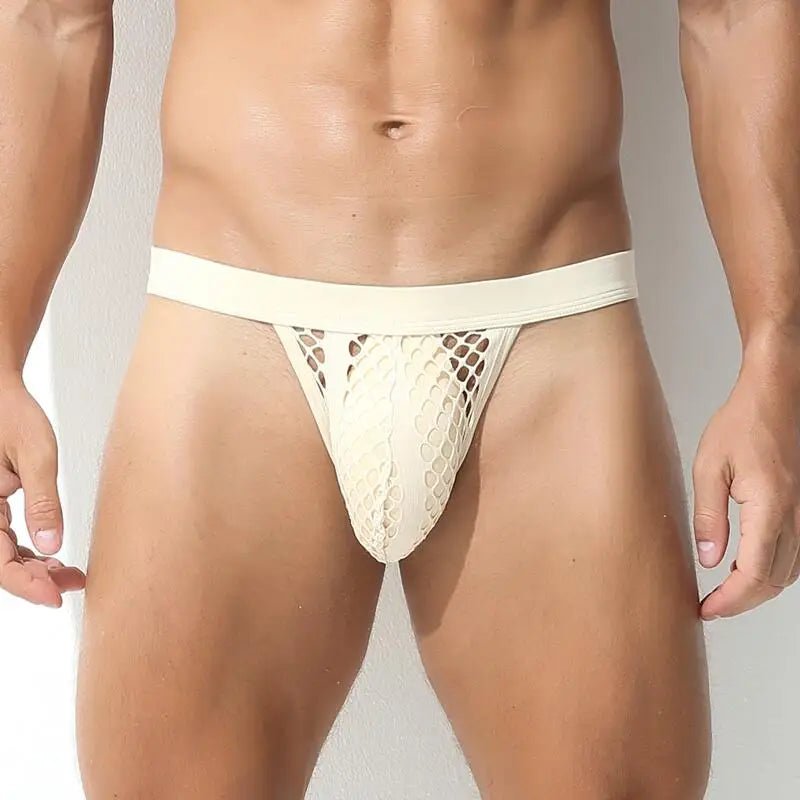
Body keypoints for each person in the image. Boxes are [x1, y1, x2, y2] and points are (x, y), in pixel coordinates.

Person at [1, 0, 798, 797]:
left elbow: (736, 14)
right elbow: (49, 21)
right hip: (234, 322)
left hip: (549, 326)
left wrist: (776, 353)